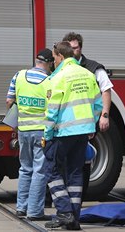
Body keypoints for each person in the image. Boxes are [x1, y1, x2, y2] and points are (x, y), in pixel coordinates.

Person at [43, 41, 103, 230]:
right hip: (83, 132)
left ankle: (65, 212)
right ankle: (74, 218)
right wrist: (91, 124)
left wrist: (47, 134)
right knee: (76, 172)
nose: (53, 62)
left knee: (51, 169)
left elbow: (52, 110)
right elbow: (98, 104)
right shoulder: (87, 74)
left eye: (53, 58)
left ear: (60, 56)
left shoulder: (58, 77)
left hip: (64, 132)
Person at [5, 48, 54, 221]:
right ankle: (34, 211)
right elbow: (52, 108)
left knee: (25, 169)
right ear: (49, 64)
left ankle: (21, 207)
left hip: (23, 131)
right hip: (41, 133)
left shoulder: (18, 76)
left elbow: (9, 101)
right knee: (39, 172)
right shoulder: (49, 81)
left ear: (36, 60)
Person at [62, 32, 113, 132]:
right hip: (68, 124)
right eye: (69, 48)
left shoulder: (93, 68)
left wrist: (105, 115)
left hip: (88, 124)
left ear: (80, 48)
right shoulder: (61, 68)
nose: (72, 51)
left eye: (75, 48)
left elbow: (106, 89)